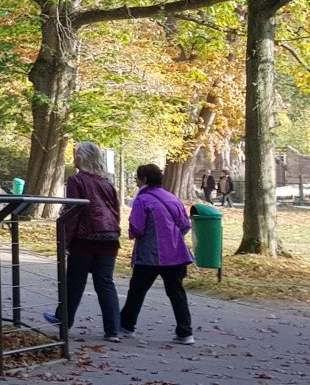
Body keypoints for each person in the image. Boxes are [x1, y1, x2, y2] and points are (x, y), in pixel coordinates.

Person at [43, 142, 124, 342]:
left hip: (85, 237)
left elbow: (73, 213)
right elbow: (115, 211)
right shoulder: (107, 183)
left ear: (83, 158)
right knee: (105, 283)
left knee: (75, 282)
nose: (74, 158)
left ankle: (64, 320)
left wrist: (65, 241)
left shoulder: (76, 181)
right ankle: (113, 329)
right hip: (109, 236)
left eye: (76, 155)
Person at [120, 163, 196, 344]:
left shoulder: (142, 200)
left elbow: (137, 228)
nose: (136, 182)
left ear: (144, 179)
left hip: (150, 255)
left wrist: (134, 234)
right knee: (177, 293)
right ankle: (185, 332)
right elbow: (185, 225)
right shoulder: (173, 198)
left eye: (137, 178)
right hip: (176, 254)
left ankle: (126, 325)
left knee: (137, 290)